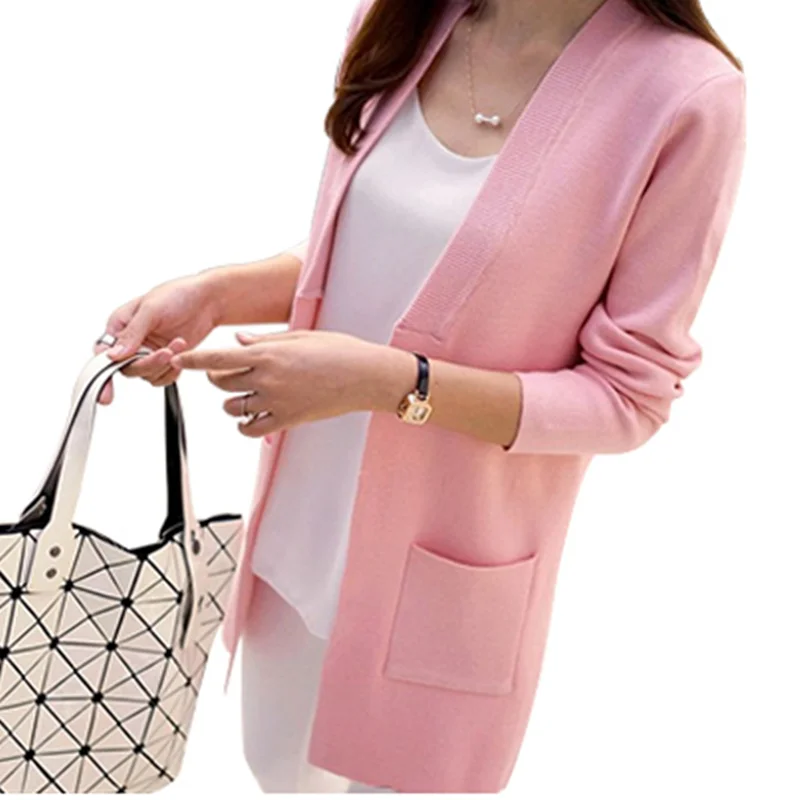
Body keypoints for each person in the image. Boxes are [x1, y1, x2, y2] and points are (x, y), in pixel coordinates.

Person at [95, 0, 747, 793]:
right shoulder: (400, 19)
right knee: (279, 775)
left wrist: (387, 382)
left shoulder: (683, 93)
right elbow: (382, 250)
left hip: (445, 585)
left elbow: (625, 399)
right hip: (298, 543)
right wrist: (217, 293)